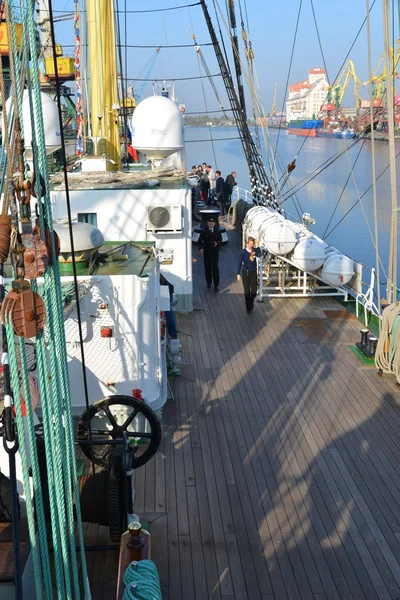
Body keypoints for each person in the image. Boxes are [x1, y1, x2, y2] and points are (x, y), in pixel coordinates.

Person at [237, 237, 261, 314]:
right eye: (250, 244)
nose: (251, 245)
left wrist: (257, 246)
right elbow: (239, 263)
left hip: (253, 272)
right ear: (247, 244)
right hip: (245, 272)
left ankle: (251, 301)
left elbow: (260, 254)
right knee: (247, 291)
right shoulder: (243, 252)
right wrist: (238, 273)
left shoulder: (255, 251)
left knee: (254, 291)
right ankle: (249, 308)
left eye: (252, 244)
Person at [198, 216, 222, 292]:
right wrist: (200, 248)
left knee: (215, 268)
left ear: (214, 224)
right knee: (207, 268)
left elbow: (220, 240)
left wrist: (217, 243)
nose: (211, 225)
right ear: (207, 223)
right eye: (209, 223)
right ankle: (208, 282)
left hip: (214, 252)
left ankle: (216, 285)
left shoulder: (217, 231)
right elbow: (199, 241)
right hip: (207, 252)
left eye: (212, 223)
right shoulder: (204, 231)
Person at [160, 273, 177, 339]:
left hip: (167, 292)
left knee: (168, 313)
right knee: (168, 313)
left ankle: (173, 334)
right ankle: (172, 334)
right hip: (168, 291)